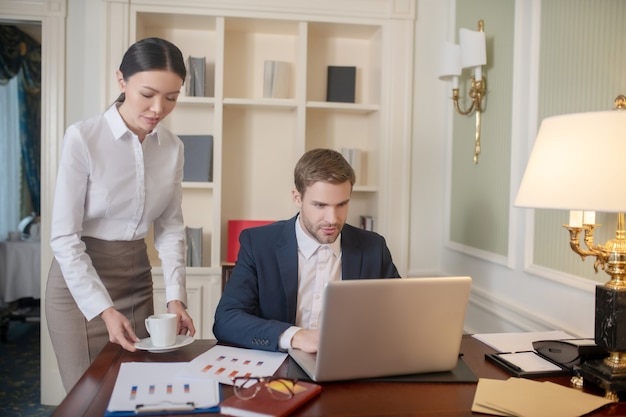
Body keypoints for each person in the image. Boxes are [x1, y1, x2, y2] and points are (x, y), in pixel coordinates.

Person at [46, 37, 196, 392]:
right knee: (90, 397)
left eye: (171, 97)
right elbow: (65, 237)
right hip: (80, 288)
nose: (159, 108)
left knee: (140, 392)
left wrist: (176, 296)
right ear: (121, 80)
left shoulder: (172, 148)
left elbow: (171, 228)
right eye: (148, 94)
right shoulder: (83, 138)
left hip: (137, 279)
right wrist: (103, 309)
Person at [213, 148, 400, 353]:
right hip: (279, 369)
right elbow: (227, 319)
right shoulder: (258, 244)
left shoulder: (374, 247)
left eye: (342, 205)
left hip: (351, 363)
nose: (332, 218)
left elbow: (401, 315)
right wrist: (297, 336)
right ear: (297, 198)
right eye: (320, 205)